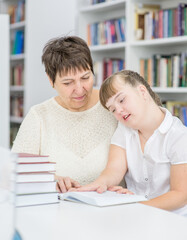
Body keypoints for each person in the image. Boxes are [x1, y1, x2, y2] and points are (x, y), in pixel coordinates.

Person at [11, 36, 117, 192]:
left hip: (114, 208)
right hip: (58, 209)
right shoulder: (39, 115)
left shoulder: (113, 105)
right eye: (68, 83)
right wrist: (51, 180)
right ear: (51, 80)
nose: (80, 89)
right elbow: (16, 171)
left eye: (85, 77)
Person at [76, 70, 187, 216]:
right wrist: (96, 185)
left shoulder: (179, 136)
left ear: (142, 92)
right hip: (136, 217)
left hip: (172, 220)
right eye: (113, 109)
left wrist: (136, 207)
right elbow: (113, 171)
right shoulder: (124, 130)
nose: (119, 111)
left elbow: (180, 195)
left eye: (121, 100)